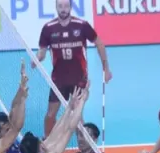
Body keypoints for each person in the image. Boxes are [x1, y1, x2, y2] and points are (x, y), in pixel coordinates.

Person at [33, 0, 112, 138]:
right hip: (58, 80)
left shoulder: (82, 25)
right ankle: (46, 142)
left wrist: (106, 68)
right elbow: (42, 52)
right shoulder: (48, 28)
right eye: (60, 6)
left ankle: (84, 145)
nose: (63, 9)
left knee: (77, 117)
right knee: (50, 115)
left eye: (66, 6)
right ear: (56, 7)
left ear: (70, 7)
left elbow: (99, 43)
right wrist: (36, 59)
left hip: (78, 79)